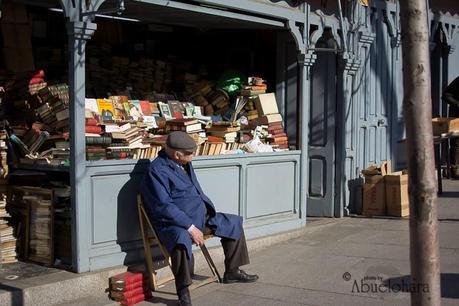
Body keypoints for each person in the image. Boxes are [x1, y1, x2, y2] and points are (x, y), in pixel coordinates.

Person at [140, 131, 258, 306]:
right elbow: (163, 206)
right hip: (174, 224)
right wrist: (190, 227)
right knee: (180, 240)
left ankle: (232, 271)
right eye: (190, 153)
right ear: (177, 154)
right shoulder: (156, 171)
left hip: (199, 217)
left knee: (233, 223)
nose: (193, 156)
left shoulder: (182, 162)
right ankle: (183, 292)